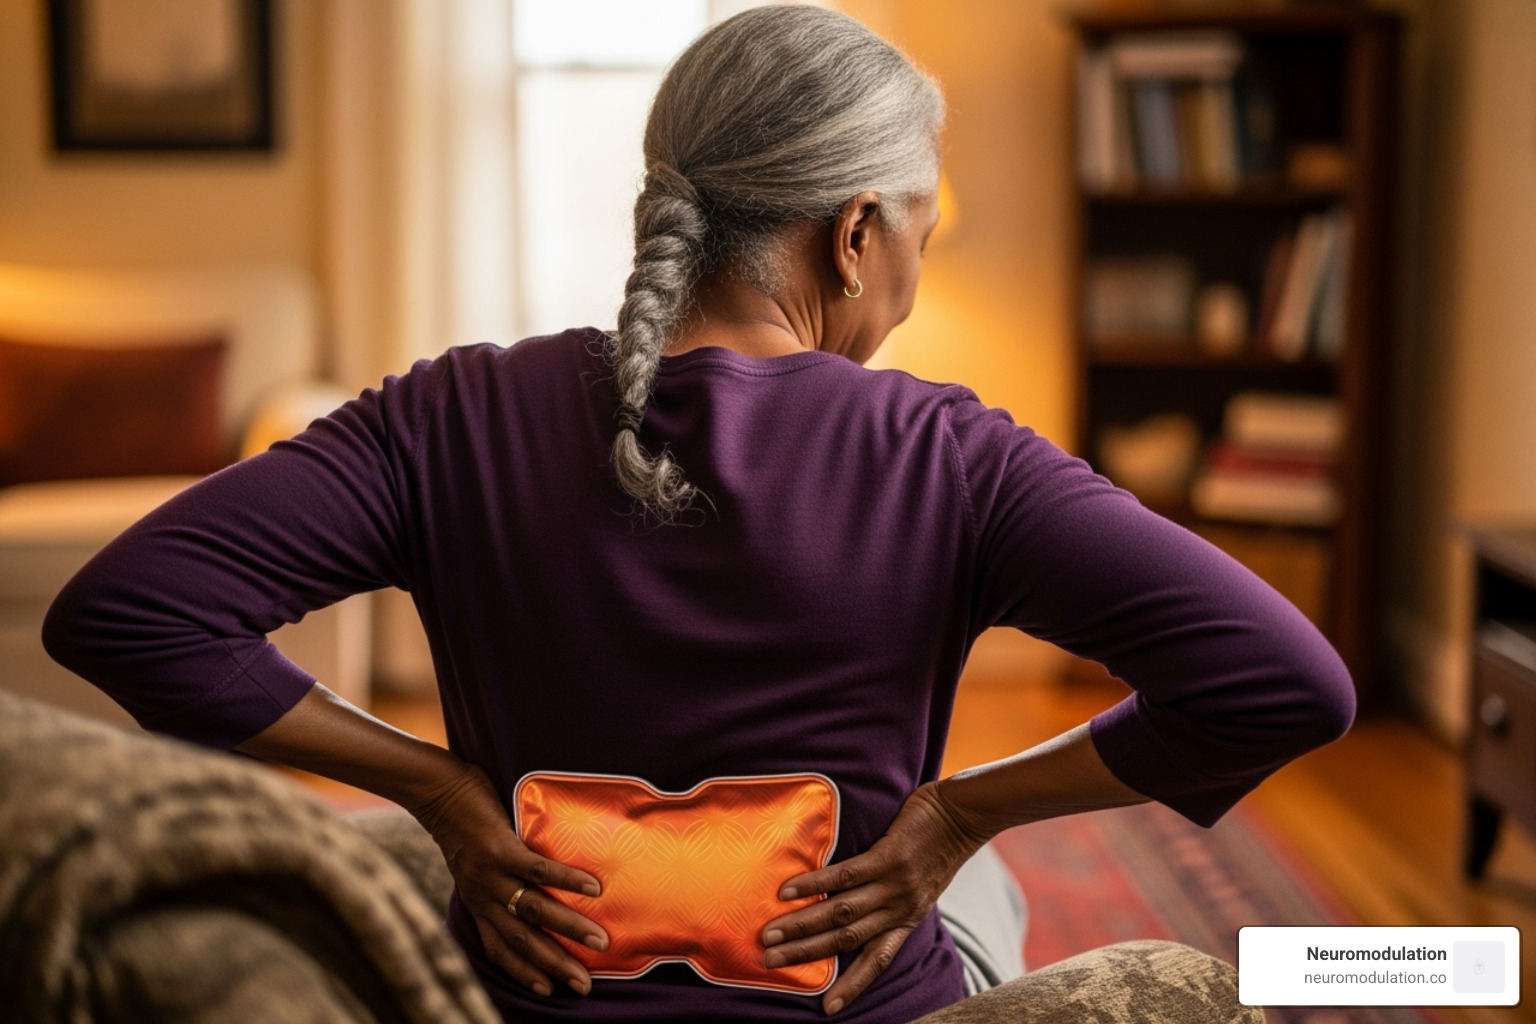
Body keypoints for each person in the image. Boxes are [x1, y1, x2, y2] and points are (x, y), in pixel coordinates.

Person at [42, 6, 1354, 1024]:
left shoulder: (452, 414)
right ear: (853, 235)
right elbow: (1283, 682)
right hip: (854, 1003)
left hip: (529, 997)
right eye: (917, 233)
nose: (909, 275)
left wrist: (441, 790)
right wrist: (960, 815)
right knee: (995, 889)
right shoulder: (950, 454)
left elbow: (131, 612)